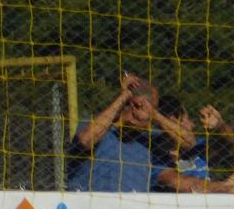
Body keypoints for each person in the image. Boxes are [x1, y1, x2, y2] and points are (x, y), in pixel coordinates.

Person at [66, 71, 196, 192]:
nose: (152, 115)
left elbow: (189, 142)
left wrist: (156, 116)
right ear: (137, 105)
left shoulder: (149, 139)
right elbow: (85, 140)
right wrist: (124, 96)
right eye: (152, 107)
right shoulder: (96, 126)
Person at [152, 97, 234, 194]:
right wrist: (225, 187)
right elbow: (181, 183)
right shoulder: (154, 156)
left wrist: (219, 125)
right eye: (185, 120)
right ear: (169, 122)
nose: (192, 125)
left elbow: (228, 141)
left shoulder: (197, 148)